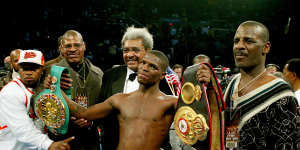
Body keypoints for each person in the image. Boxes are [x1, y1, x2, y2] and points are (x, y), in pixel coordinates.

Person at [197, 21, 299, 149]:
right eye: (236, 41)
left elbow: (288, 145)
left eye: (248, 41)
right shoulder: (225, 84)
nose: (239, 46)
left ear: (266, 47)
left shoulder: (283, 95)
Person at [59, 50, 177, 150]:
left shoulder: (171, 103)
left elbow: (193, 123)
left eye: (152, 66)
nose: (145, 68)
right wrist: (57, 90)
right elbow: (83, 113)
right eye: (143, 63)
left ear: (162, 75)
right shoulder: (119, 100)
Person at [99, 26, 174, 150]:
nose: (130, 55)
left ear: (148, 52)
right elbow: (101, 111)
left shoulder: (164, 80)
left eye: (135, 50)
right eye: (125, 50)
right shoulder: (110, 76)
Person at [36, 30, 103, 150]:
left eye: (76, 45)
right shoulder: (49, 71)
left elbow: (104, 106)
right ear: (61, 48)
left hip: (90, 140)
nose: (72, 49)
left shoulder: (98, 73)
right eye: (68, 46)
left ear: (84, 46)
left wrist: (91, 121)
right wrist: (45, 90)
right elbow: (35, 103)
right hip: (61, 140)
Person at [0, 50, 73, 150]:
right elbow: (22, 129)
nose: (28, 73)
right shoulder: (11, 91)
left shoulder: (41, 90)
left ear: (42, 70)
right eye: (24, 68)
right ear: (18, 69)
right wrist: (49, 145)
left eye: (34, 68)